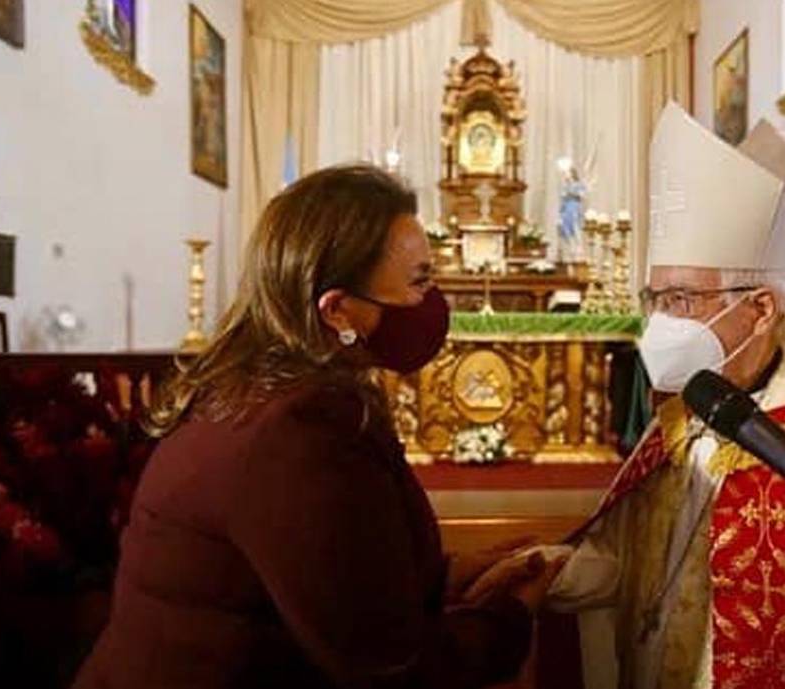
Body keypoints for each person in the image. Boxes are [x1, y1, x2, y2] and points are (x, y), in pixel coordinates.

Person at [73, 164, 563, 689]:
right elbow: (391, 668)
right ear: (337, 310)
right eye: (419, 282)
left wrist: (457, 573)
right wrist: (511, 615)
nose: (432, 301)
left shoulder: (260, 387)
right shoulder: (301, 430)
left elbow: (332, 570)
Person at [540, 103, 785, 689]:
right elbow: (632, 565)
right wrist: (542, 573)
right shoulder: (682, 423)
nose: (661, 323)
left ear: (760, 310)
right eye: (655, 299)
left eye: (681, 301)